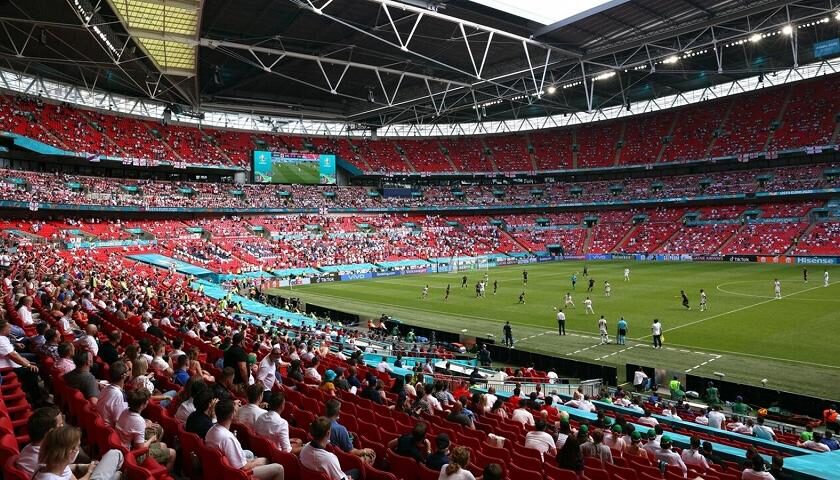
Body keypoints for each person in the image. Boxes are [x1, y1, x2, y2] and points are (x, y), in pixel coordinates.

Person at [206, 399, 284, 480]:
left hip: (222, 469)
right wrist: (257, 462)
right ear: (232, 415)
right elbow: (242, 468)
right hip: (239, 475)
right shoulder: (228, 438)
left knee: (253, 456)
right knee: (278, 468)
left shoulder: (210, 431)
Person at [32, 425, 123, 480]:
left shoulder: (49, 465)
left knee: (117, 474)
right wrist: (89, 472)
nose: (78, 450)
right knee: (115, 454)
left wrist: (89, 470)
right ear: (70, 452)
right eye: (78, 446)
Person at [116, 388, 175, 471]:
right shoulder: (138, 420)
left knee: (163, 445)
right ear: (142, 405)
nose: (148, 402)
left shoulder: (125, 411)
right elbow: (140, 449)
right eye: (146, 401)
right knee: (173, 453)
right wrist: (151, 439)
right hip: (133, 455)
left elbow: (131, 427)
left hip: (126, 446)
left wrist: (144, 425)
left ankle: (155, 467)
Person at [0, 318, 41, 404]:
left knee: (32, 360)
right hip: (7, 368)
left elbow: (13, 353)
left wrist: (25, 361)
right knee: (33, 370)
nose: (10, 329)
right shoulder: (1, 340)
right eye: (8, 328)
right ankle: (36, 398)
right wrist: (28, 365)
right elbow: (13, 356)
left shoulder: (3, 338)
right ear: (3, 329)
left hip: (10, 362)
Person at [97, 361, 130, 426]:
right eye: (128, 370)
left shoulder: (105, 388)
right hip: (111, 430)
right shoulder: (119, 395)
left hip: (102, 425)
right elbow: (121, 423)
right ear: (124, 376)